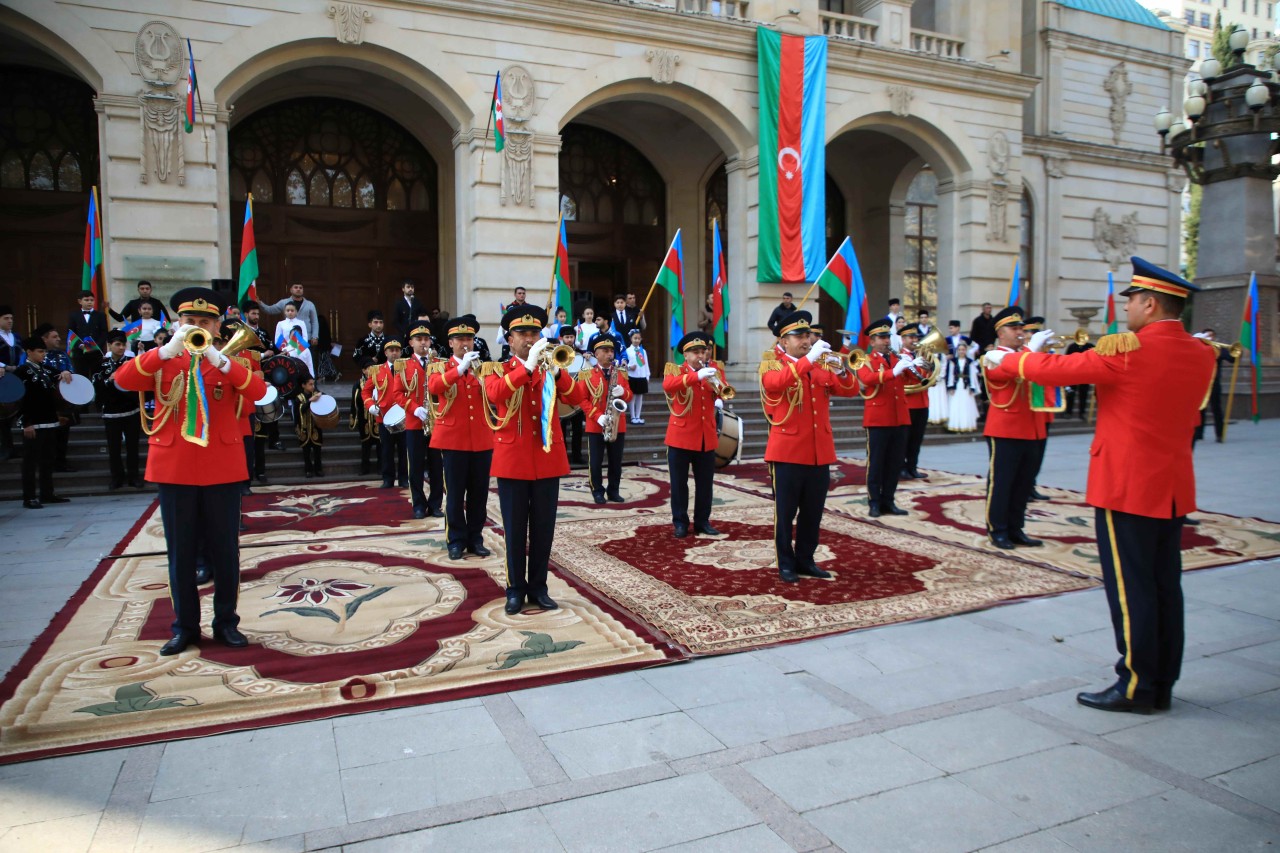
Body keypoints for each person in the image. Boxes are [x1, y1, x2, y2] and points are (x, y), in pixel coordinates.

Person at [983, 256, 1215, 714]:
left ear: (1149, 304)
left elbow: (1059, 373)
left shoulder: (1129, 350)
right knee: (1166, 586)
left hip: (1126, 485)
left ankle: (1136, 685)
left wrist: (1012, 358)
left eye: (1132, 300)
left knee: (1132, 590)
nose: (1126, 309)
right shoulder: (1201, 351)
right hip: (1170, 486)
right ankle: (1162, 679)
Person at [113, 287, 269, 655]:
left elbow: (258, 392)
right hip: (176, 469)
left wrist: (221, 359)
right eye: (189, 322)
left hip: (222, 468)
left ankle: (226, 623)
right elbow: (123, 381)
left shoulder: (230, 362)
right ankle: (185, 627)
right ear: (178, 323)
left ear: (217, 327)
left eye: (204, 322)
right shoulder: (163, 360)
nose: (196, 327)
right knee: (181, 554)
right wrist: (164, 351)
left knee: (225, 552)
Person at [484, 304, 586, 614]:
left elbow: (577, 397)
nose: (529, 339)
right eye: (522, 334)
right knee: (515, 530)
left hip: (546, 459)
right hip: (513, 460)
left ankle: (539, 587)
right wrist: (526, 367)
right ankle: (515, 589)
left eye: (534, 333)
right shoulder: (497, 369)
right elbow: (495, 395)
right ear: (509, 339)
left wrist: (558, 373)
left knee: (543, 529)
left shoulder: (549, 367)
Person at [762, 310, 858, 582]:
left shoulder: (820, 364)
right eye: (800, 336)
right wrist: (810, 358)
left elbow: (850, 390)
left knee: (813, 512)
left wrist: (841, 369)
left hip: (819, 450)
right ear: (783, 340)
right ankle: (786, 563)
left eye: (808, 336)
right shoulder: (772, 363)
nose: (806, 340)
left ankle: (806, 559)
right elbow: (778, 384)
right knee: (786, 512)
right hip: (788, 450)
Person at [426, 315, 493, 560]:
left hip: (481, 439)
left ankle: (475, 538)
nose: (465, 343)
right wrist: (460, 369)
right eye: (460, 339)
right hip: (453, 440)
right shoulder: (440, 367)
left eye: (469, 339)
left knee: (479, 494)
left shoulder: (484, 368)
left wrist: (475, 372)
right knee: (454, 494)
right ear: (451, 343)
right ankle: (455, 540)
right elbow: (434, 387)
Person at [980, 306, 1046, 550]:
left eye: (1021, 328)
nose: (1020, 332)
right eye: (1014, 328)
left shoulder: (1027, 353)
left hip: (1032, 426)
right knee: (1002, 482)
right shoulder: (993, 356)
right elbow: (1010, 368)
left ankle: (1016, 528)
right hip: (1005, 428)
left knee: (1023, 483)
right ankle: (997, 529)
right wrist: (1032, 350)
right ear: (1000, 332)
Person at [663, 332, 725, 538]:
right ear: (686, 355)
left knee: (705, 484)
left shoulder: (713, 370)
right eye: (695, 352)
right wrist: (695, 376)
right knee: (679, 484)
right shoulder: (675, 370)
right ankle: (680, 522)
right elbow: (669, 386)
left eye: (703, 351)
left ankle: (702, 521)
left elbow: (723, 390)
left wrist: (719, 394)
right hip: (680, 436)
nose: (701, 355)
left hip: (705, 436)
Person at [855, 319, 914, 517]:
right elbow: (867, 379)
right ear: (872, 341)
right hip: (878, 418)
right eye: (882, 338)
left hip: (900, 417)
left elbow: (912, 379)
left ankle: (889, 500)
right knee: (877, 462)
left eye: (888, 337)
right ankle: (874, 501)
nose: (886, 341)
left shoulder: (897, 358)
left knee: (895, 462)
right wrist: (893, 372)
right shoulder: (866, 360)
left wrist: (917, 365)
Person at [394, 325, 444, 519]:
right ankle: (418, 504)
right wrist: (414, 407)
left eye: (426, 339)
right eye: (419, 339)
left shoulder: (438, 363)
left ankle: (435, 504)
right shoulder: (404, 365)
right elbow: (397, 393)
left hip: (436, 422)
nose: (423, 342)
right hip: (415, 423)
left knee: (436, 466)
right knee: (414, 466)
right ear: (411, 343)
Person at [579, 332, 632, 504]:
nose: (610, 354)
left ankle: (614, 490)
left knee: (616, 462)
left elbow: (630, 396)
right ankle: (597, 491)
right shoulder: (587, 374)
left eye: (612, 350)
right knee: (595, 462)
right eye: (605, 350)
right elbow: (582, 400)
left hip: (618, 424)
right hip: (596, 424)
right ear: (596, 353)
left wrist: (624, 392)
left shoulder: (621, 373)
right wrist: (597, 415)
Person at [16, 337, 68, 509]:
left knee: (47, 460)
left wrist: (65, 373)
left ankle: (47, 493)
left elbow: (60, 376)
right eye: (39, 351)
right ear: (29, 352)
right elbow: (19, 400)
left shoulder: (46, 369)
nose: (43, 354)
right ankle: (29, 496)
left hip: (49, 421)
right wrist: (25, 422)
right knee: (30, 461)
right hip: (33, 422)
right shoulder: (22, 371)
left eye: (44, 351)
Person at [92, 330, 142, 490]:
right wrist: (109, 380)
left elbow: (140, 383)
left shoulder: (132, 362)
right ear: (109, 345)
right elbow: (96, 386)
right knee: (114, 447)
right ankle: (116, 477)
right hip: (111, 412)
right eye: (117, 344)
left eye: (123, 344)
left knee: (133, 446)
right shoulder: (100, 364)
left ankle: (134, 476)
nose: (121, 348)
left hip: (131, 410)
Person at [363, 339, 408, 489]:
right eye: (391, 350)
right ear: (386, 353)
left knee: (404, 450)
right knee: (386, 450)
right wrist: (370, 405)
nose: (394, 353)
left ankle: (404, 478)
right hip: (384, 416)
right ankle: (388, 478)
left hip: (405, 415)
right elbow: (366, 390)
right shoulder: (377, 370)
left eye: (397, 350)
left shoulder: (406, 368)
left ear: (401, 352)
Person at [33, 324, 75, 472]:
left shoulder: (63, 355)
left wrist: (68, 373)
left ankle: (61, 461)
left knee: (63, 433)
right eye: (54, 337)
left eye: (58, 336)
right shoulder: (35, 356)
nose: (58, 339)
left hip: (63, 400)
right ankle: (45, 463)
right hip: (44, 400)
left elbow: (72, 371)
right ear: (44, 339)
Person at [898, 325, 934, 480]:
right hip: (908, 403)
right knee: (905, 439)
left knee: (917, 439)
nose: (914, 341)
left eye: (915, 338)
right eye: (911, 338)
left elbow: (928, 375)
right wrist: (912, 365)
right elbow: (902, 378)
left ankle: (912, 467)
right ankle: (901, 468)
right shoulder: (900, 357)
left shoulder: (922, 356)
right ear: (903, 339)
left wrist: (931, 373)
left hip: (922, 401)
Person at [1192, 328, 1234, 444]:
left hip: (1214, 384)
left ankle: (1219, 434)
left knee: (1217, 409)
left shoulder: (1217, 348)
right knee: (1200, 410)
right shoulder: (1198, 348)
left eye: (1212, 336)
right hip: (1200, 384)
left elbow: (1231, 358)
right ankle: (1199, 434)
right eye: (1207, 335)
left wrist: (1237, 353)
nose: (1210, 338)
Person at [556, 324, 585, 465]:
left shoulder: (580, 354)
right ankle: (563, 456)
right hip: (561, 399)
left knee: (577, 429)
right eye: (567, 337)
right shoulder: (556, 353)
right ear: (561, 338)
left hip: (576, 397)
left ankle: (577, 455)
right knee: (561, 430)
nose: (569, 340)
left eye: (571, 337)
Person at [261, 282, 320, 349]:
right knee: (290, 359)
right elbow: (270, 310)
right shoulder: (284, 302)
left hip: (305, 339)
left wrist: (315, 336)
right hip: (287, 340)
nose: (298, 289)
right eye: (296, 287)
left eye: (300, 288)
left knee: (304, 358)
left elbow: (314, 321)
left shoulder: (310, 304)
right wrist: (260, 303)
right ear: (291, 290)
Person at [350, 357, 381, 475]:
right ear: (363, 371)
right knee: (365, 445)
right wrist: (354, 418)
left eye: (373, 368)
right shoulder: (358, 384)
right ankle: (365, 468)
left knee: (380, 445)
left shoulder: (380, 381)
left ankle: (380, 468)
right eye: (368, 369)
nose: (371, 371)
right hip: (364, 418)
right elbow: (354, 402)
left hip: (378, 417)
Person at [67, 290, 108, 377]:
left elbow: (104, 332)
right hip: (79, 353)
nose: (89, 302)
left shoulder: (100, 315)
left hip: (96, 353)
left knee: (96, 375)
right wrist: (80, 345)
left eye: (91, 300)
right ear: (80, 301)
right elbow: (71, 332)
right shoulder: (74, 315)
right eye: (86, 300)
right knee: (81, 375)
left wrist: (96, 345)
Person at [0, 306, 22, 461]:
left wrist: (20, 367)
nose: (10, 321)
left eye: (11, 318)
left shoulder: (16, 337)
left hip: (16, 376)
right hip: (2, 377)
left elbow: (22, 354)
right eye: (6, 318)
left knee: (15, 411)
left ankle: (14, 446)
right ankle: (5, 447)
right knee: (3, 414)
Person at [945, 339, 980, 433]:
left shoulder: (970, 362)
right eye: (959, 350)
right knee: (956, 405)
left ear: (966, 350)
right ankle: (955, 426)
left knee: (966, 405)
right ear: (957, 350)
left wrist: (972, 387)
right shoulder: (953, 361)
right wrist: (951, 386)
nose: (961, 351)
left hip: (966, 386)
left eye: (963, 349)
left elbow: (972, 375)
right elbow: (951, 375)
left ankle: (966, 425)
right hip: (956, 386)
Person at [292, 375, 324, 478]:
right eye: (310, 384)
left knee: (317, 450)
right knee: (306, 451)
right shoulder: (299, 398)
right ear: (303, 385)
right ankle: (308, 470)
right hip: (304, 427)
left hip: (315, 427)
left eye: (313, 384)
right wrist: (310, 400)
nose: (312, 386)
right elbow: (300, 410)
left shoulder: (317, 395)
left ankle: (318, 469)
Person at [274, 302, 315, 377]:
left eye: (292, 310)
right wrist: (285, 350)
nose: (290, 312)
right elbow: (277, 339)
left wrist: (299, 349)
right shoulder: (281, 324)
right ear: (284, 312)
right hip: (286, 351)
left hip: (299, 350)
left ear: (296, 312)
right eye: (288, 310)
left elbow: (305, 337)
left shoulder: (301, 323)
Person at [624, 328, 650, 424]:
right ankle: (632, 416)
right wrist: (630, 367)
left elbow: (646, 364)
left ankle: (638, 416)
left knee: (640, 397)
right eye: (635, 338)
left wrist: (647, 376)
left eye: (638, 338)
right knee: (632, 397)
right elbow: (625, 365)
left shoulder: (643, 351)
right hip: (632, 376)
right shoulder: (628, 351)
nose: (637, 340)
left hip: (641, 376)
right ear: (631, 339)